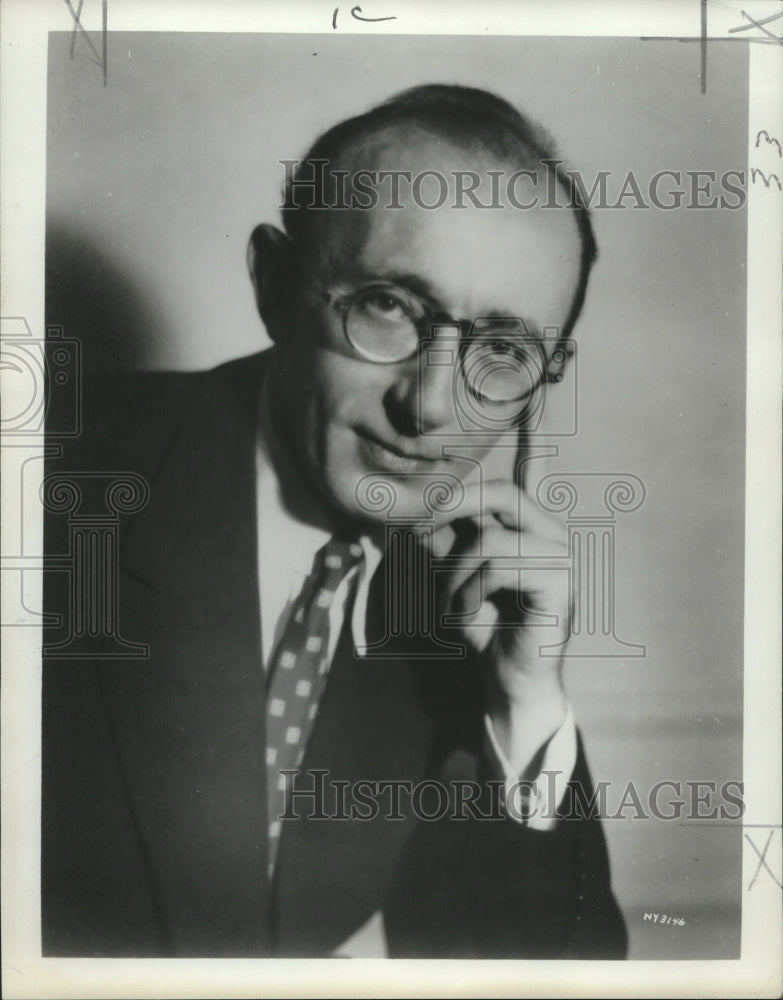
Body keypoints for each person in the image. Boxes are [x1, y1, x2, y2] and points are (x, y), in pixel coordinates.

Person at [42, 84, 627, 959]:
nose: (430, 406)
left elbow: (532, 978)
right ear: (276, 286)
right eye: (389, 305)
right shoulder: (51, 486)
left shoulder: (457, 607)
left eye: (500, 352)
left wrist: (523, 700)